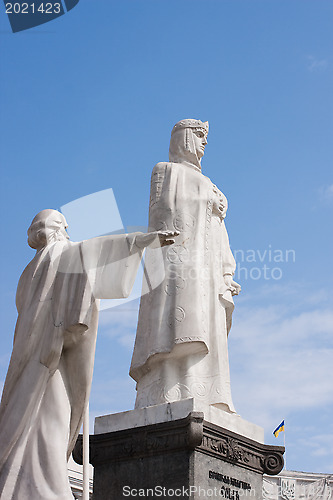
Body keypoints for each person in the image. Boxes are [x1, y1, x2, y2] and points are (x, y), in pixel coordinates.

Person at [0, 209, 176, 500]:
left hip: (29, 365)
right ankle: (44, 489)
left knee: (37, 423)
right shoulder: (60, 253)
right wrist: (141, 241)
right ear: (59, 229)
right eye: (65, 228)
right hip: (50, 362)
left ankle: (28, 485)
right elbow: (93, 252)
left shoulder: (27, 273)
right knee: (52, 426)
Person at [130, 119, 241, 412]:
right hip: (177, 263)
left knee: (208, 327)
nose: (204, 143)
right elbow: (162, 215)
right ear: (185, 138)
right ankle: (168, 392)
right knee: (174, 331)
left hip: (208, 269)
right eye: (200, 136)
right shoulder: (164, 171)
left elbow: (219, 231)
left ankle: (207, 394)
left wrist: (226, 272)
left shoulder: (211, 184)